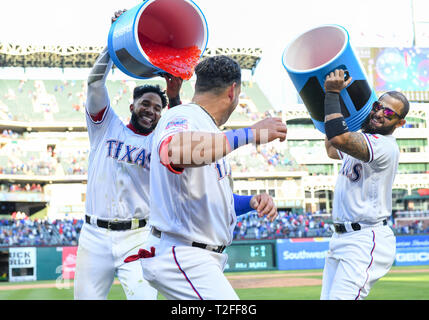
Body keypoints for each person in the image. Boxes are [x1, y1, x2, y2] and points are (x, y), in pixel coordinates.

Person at [124, 55, 287, 300]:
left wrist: (250, 202)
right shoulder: (185, 116)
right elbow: (174, 150)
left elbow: (207, 196)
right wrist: (251, 132)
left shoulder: (207, 128)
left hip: (194, 255)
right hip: (184, 255)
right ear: (233, 91)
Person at [74, 10, 183, 300]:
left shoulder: (161, 142)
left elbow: (184, 136)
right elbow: (95, 83)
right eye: (146, 104)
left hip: (138, 236)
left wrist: (173, 98)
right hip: (94, 235)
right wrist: (113, 44)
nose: (152, 110)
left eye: (158, 107)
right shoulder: (105, 126)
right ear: (132, 106)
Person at [320, 69, 409, 300]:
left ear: (400, 123)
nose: (380, 113)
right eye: (378, 106)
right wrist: (338, 99)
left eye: (389, 112)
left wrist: (332, 95)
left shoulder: (383, 145)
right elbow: (332, 148)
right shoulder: (363, 139)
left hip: (365, 237)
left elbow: (339, 138)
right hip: (340, 237)